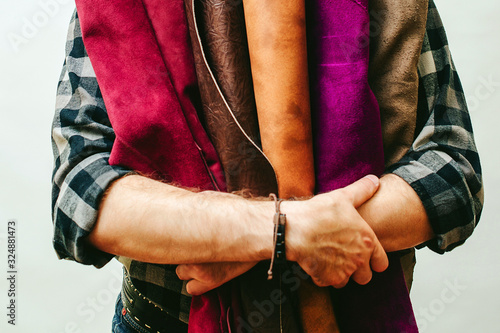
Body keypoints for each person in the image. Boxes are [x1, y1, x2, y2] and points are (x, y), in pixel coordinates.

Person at [51, 0, 483, 331]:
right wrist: (281, 230)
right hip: (168, 322)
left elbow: (453, 168)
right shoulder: (128, 6)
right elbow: (78, 193)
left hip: (348, 316)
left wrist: (242, 238)